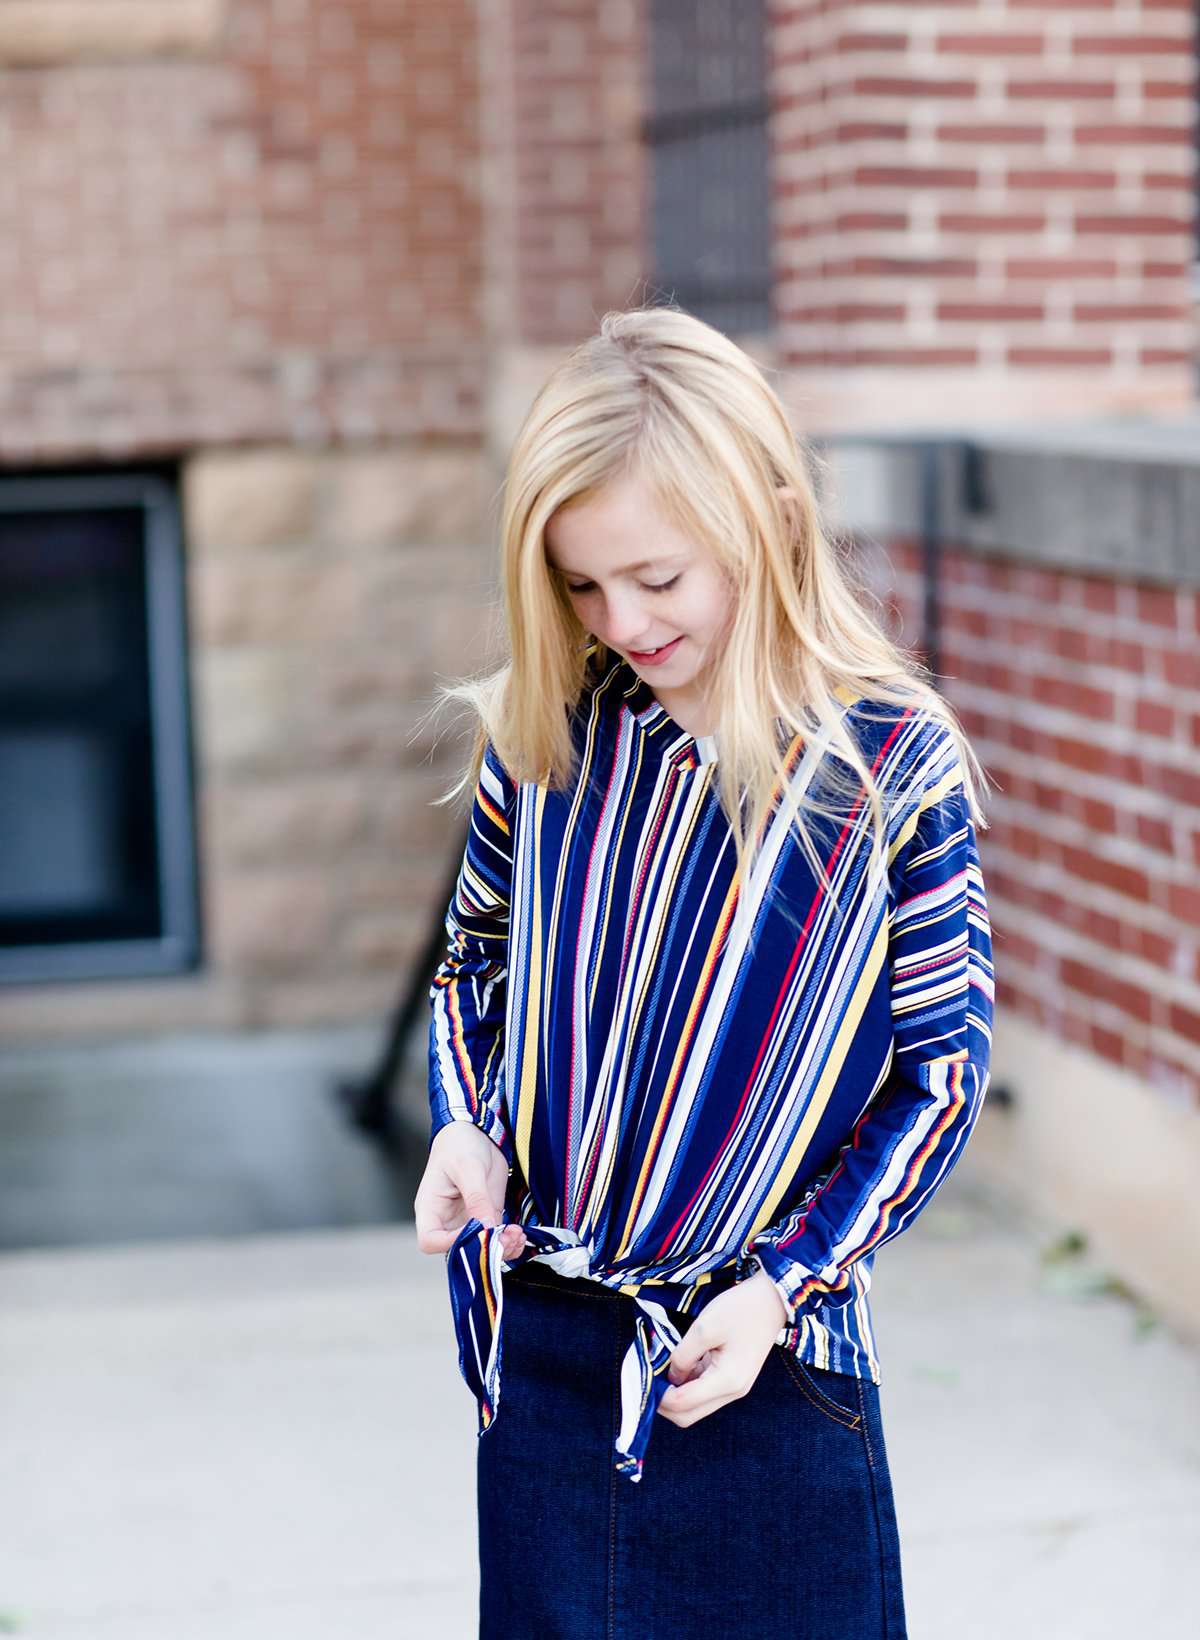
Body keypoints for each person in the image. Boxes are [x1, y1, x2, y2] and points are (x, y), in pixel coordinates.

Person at [414, 305, 994, 1640]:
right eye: (580, 587)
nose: (621, 620)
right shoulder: (550, 737)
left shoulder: (891, 767)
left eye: (658, 579)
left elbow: (939, 1081)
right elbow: (474, 956)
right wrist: (468, 1120)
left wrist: (784, 1284)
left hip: (769, 1373)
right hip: (557, 1361)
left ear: (772, 523)